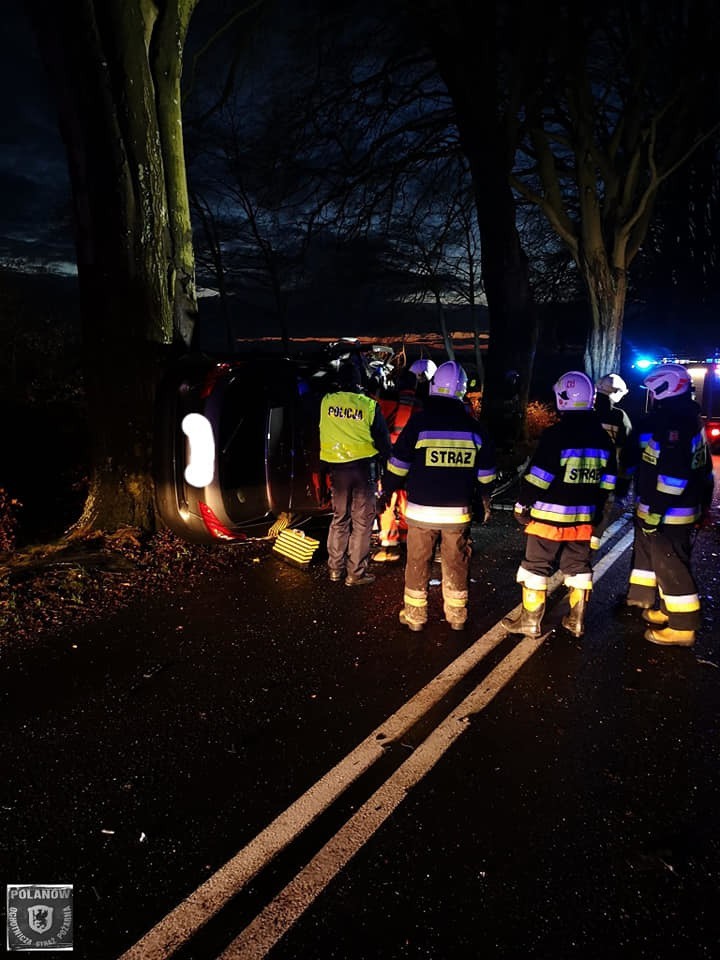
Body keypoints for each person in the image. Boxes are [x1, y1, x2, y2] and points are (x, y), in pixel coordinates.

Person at [502, 371, 617, 639]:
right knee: (578, 568)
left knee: (535, 567)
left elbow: (538, 478)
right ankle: (576, 621)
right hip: (583, 520)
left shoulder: (557, 435)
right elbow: (608, 483)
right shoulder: (603, 439)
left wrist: (522, 505)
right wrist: (596, 512)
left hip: (547, 520)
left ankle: (530, 622)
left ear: (563, 398)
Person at [382, 360, 496, 632]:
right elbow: (486, 473)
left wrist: (387, 490)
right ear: (461, 391)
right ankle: (457, 616)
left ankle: (415, 617)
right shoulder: (474, 428)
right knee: (456, 561)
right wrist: (483, 500)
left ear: (433, 387)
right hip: (458, 512)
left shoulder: (419, 423)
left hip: (421, 511)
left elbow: (398, 464)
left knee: (417, 561)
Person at [624, 362, 715, 647]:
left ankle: (683, 628)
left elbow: (673, 476)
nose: (651, 394)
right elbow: (704, 470)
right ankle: (666, 611)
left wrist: (656, 511)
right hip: (680, 509)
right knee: (664, 564)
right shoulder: (688, 418)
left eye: (655, 389)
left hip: (669, 513)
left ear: (666, 388)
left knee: (671, 566)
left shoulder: (675, 425)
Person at [319, 361, 392, 586]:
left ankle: (334, 569)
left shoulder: (327, 401)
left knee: (339, 519)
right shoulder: (368, 405)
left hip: (337, 471)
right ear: (360, 381)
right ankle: (355, 574)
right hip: (362, 471)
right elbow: (383, 442)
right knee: (362, 523)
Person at [373, 367, 424, 562]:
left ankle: (389, 547)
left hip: (390, 461)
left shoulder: (388, 402)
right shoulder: (421, 406)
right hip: (412, 464)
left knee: (387, 501)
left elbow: (376, 419)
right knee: (406, 503)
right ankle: (406, 541)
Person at [591, 372, 634, 548]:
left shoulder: (582, 411)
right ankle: (590, 545)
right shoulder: (619, 417)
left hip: (575, 473)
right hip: (606, 477)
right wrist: (623, 485)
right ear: (617, 393)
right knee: (601, 511)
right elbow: (627, 453)